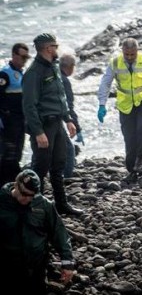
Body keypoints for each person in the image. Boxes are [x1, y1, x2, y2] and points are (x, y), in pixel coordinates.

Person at [22, 33, 83, 216]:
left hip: (57, 123)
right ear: (48, 49)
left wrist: (68, 119)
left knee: (58, 164)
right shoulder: (34, 73)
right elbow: (29, 106)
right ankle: (32, 206)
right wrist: (38, 132)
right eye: (55, 46)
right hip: (44, 126)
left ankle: (61, 204)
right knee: (40, 167)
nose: (57, 49)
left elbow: (60, 97)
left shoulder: (54, 67)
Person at [98, 38, 142, 181]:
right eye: (127, 54)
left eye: (132, 54)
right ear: (122, 51)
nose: (129, 57)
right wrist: (102, 104)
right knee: (129, 138)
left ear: (137, 51)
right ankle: (132, 169)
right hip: (125, 104)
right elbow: (105, 83)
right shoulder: (115, 62)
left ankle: (141, 155)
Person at [0, 169, 76, 293]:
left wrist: (67, 263)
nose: (27, 199)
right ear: (16, 185)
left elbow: (59, 232)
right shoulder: (2, 202)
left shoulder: (44, 205)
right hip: (7, 266)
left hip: (36, 267)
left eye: (32, 195)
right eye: (24, 194)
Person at [0, 43, 30, 186]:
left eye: (27, 57)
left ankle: (13, 184)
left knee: (17, 153)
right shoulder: (5, 73)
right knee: (8, 155)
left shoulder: (23, 73)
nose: (25, 60)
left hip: (20, 120)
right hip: (8, 121)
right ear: (14, 55)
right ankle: (8, 184)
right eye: (22, 57)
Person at [59, 54, 84, 179]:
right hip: (54, 119)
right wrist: (77, 129)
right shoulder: (64, 81)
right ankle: (67, 178)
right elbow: (69, 106)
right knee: (69, 149)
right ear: (70, 67)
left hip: (41, 118)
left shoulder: (51, 75)